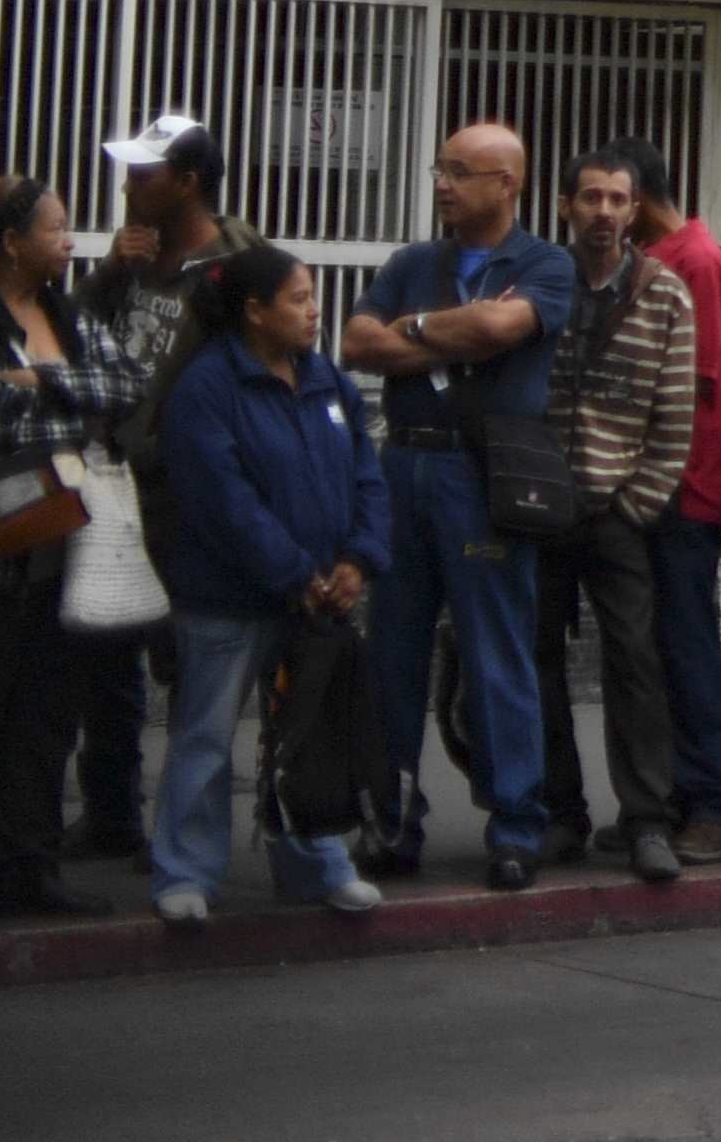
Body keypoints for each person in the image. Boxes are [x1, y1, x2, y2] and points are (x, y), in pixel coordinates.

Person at [336, 124, 570, 887]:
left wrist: (419, 332)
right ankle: (392, 823)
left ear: (508, 184)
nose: (442, 184)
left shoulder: (543, 263)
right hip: (404, 465)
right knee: (391, 654)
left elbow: (505, 325)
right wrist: (455, 336)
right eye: (441, 169)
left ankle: (515, 825)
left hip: (484, 475)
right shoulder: (413, 262)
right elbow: (357, 344)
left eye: (462, 173)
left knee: (496, 652)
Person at [139, 240, 385, 925]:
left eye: (313, 298)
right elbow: (224, 502)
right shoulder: (206, 390)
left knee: (311, 738)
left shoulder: (325, 380)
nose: (314, 312)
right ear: (253, 310)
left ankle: (316, 865)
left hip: (317, 601)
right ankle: (185, 873)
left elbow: (368, 473)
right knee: (206, 737)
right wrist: (295, 572)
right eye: (299, 299)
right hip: (228, 598)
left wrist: (357, 559)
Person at [0, 176, 143, 918]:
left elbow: (129, 384)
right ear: (12, 242)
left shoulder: (66, 313)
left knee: (46, 719)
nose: (69, 242)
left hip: (62, 556)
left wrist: (39, 378)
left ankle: (29, 867)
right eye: (56, 228)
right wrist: (71, 403)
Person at [65, 110, 230, 870]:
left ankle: (182, 827)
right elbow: (67, 338)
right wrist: (109, 271)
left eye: (145, 173)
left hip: (186, 494)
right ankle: (111, 813)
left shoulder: (236, 262)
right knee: (104, 652)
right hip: (112, 482)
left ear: (189, 182)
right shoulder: (133, 256)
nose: (130, 186)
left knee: (190, 667)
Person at [532, 148, 698, 885]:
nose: (603, 211)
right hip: (535, 507)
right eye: (590, 197)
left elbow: (674, 414)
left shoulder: (665, 294)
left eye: (617, 199)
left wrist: (636, 504)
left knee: (634, 662)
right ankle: (556, 813)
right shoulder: (536, 279)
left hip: (617, 509)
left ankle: (647, 821)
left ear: (635, 211)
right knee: (533, 662)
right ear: (566, 205)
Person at [620, 146, 721, 868]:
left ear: (635, 199)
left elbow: (695, 390)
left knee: (688, 645)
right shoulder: (670, 253)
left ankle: (710, 804)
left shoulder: (690, 260)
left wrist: (668, 483)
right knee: (653, 652)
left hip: (681, 489)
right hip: (655, 486)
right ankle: (666, 798)